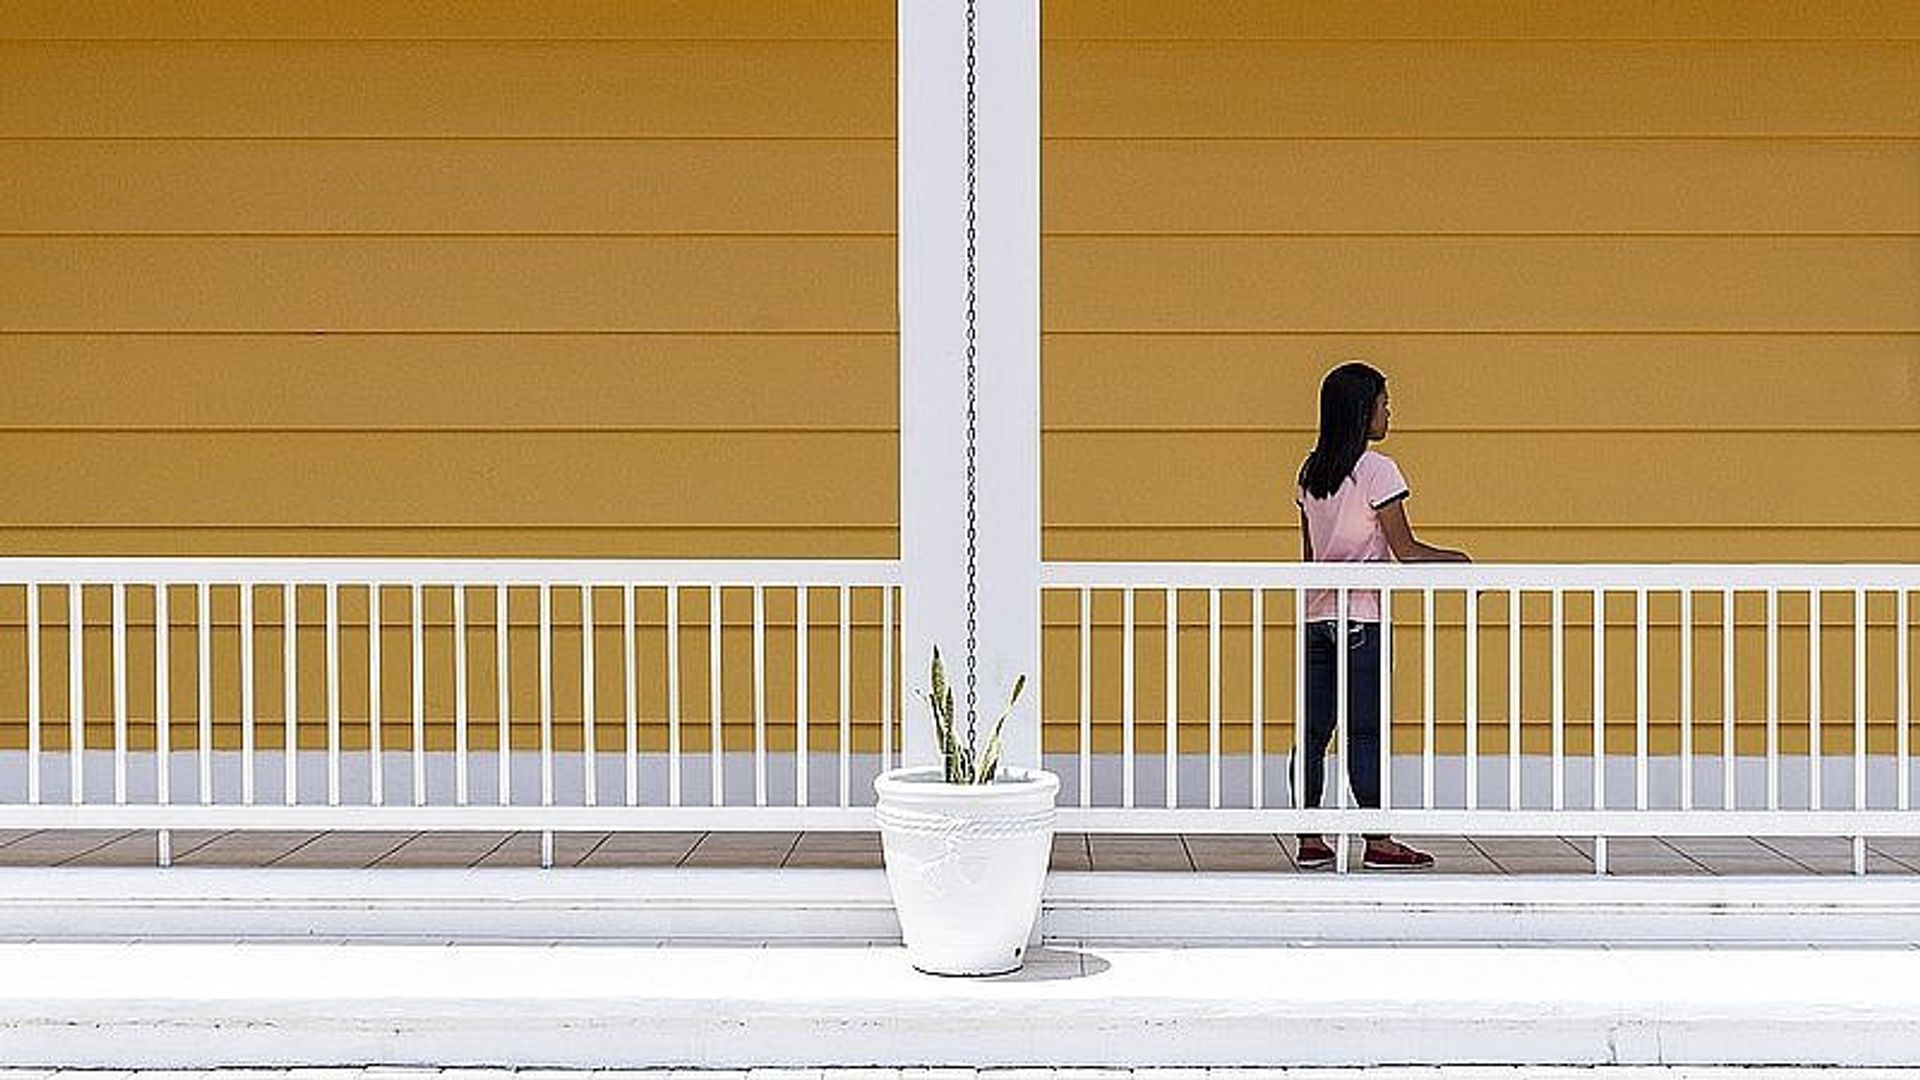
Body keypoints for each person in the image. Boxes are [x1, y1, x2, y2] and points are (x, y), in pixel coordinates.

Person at [1293, 361, 1469, 871]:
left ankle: (1310, 839)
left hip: (1316, 616)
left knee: (1312, 733)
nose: (1389, 410)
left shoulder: (1310, 472)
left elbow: (1309, 557)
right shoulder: (1378, 469)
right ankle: (1378, 842)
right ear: (1361, 410)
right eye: (1383, 402)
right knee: (1364, 732)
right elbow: (1407, 550)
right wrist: (1461, 563)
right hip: (1363, 620)